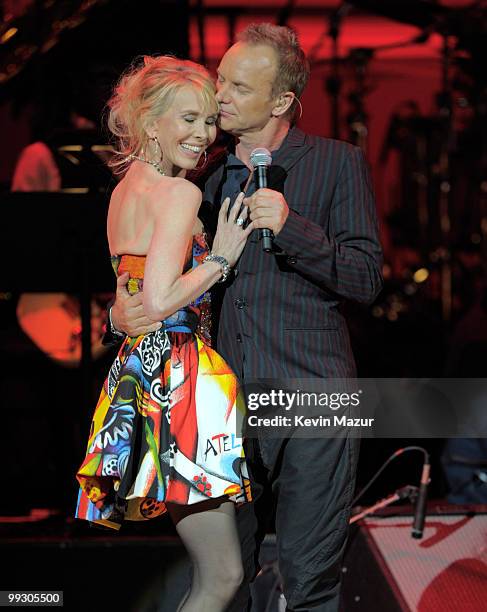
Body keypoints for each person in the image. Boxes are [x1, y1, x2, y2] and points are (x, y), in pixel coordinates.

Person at [109, 25, 383, 612]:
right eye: (220, 80)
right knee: (228, 577)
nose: (221, 96)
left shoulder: (337, 163)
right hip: (223, 402)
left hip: (316, 395)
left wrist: (291, 227)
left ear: (281, 101)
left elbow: (365, 279)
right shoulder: (197, 177)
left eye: (237, 85)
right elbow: (152, 274)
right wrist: (119, 307)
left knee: (309, 580)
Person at [75, 55, 254, 612]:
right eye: (188, 120)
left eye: (208, 121)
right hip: (178, 375)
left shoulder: (125, 192)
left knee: (212, 573)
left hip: (139, 374)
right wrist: (220, 259)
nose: (203, 135)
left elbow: (130, 296)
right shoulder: (178, 196)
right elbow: (156, 301)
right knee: (222, 577)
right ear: (152, 124)